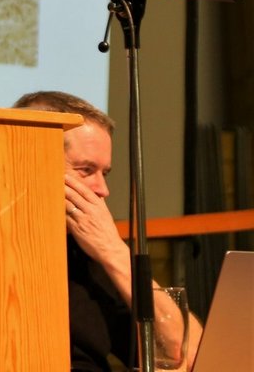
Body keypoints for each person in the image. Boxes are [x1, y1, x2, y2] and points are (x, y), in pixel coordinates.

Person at [13, 91, 203, 371]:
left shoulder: (88, 248)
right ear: (33, 161)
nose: (103, 189)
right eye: (86, 170)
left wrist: (113, 252)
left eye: (105, 173)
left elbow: (187, 352)